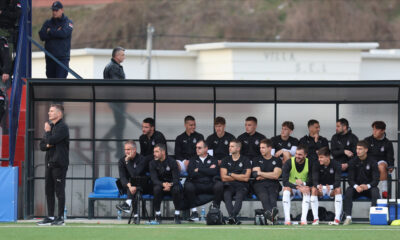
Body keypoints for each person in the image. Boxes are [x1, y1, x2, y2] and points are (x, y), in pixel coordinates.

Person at [37, 104, 69, 226]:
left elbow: (50, 141)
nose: (49, 113)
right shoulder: (50, 127)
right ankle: (50, 216)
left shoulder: (63, 127)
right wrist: (49, 140)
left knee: (59, 191)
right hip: (49, 164)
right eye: (49, 111)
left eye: (51, 111)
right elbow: (42, 146)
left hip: (59, 164)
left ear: (59, 114)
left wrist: (48, 136)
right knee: (48, 190)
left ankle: (60, 218)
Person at [184, 140, 223, 221]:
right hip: (197, 184)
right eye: (196, 148)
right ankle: (194, 213)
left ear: (206, 149)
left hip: (209, 184)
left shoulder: (213, 159)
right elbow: (191, 173)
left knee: (219, 185)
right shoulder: (193, 160)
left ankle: (215, 211)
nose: (197, 149)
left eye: (199, 148)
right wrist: (207, 170)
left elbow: (214, 172)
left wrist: (198, 170)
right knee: (188, 185)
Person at [343, 140, 380, 225]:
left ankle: (373, 216)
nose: (357, 151)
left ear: (366, 150)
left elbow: (376, 180)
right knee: (348, 191)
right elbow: (350, 179)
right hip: (357, 188)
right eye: (357, 149)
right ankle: (348, 218)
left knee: (375, 191)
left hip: (368, 188)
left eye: (360, 149)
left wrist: (367, 186)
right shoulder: (352, 161)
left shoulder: (373, 162)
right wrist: (357, 186)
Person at [115, 140, 149, 224]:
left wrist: (128, 162)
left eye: (128, 149)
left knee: (136, 187)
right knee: (132, 189)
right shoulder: (121, 161)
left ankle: (128, 204)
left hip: (141, 184)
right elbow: (122, 177)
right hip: (127, 185)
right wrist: (130, 186)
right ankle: (135, 215)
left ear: (134, 150)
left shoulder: (142, 159)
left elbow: (135, 174)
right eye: (125, 149)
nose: (126, 151)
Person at [149, 143, 183, 224]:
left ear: (163, 152)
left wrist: (170, 184)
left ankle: (177, 215)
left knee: (177, 189)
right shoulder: (152, 163)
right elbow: (154, 179)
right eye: (154, 152)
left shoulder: (172, 161)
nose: (154, 154)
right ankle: (158, 214)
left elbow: (176, 178)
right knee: (156, 189)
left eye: (157, 152)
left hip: (172, 184)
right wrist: (163, 184)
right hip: (160, 185)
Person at [38, 1, 73, 79]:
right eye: (53, 10)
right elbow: (42, 35)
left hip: (62, 59)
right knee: (50, 82)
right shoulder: (48, 23)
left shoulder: (68, 22)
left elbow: (64, 33)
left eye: (56, 10)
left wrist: (50, 31)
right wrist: (57, 31)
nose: (54, 12)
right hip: (50, 58)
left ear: (62, 10)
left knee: (60, 83)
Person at [220, 139, 251, 225]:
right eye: (229, 146)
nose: (229, 148)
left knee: (239, 196)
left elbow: (246, 178)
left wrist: (231, 174)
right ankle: (233, 218)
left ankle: (232, 217)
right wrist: (238, 176)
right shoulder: (225, 160)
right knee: (226, 195)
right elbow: (223, 177)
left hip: (242, 185)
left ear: (238, 148)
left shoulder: (245, 160)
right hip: (229, 185)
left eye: (232, 146)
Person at [103, 47, 126, 158]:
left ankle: (106, 143)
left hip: (117, 100)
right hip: (117, 100)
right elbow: (116, 85)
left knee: (120, 125)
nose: (124, 57)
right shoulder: (113, 67)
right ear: (116, 56)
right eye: (122, 55)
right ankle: (117, 149)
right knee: (120, 125)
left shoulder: (114, 66)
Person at [252, 139, 282, 225]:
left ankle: (271, 218)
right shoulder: (256, 159)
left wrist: (261, 173)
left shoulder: (277, 160)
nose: (261, 149)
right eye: (260, 147)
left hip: (273, 184)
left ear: (269, 148)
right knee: (264, 197)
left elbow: (276, 175)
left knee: (273, 199)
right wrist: (270, 174)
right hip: (259, 184)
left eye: (263, 148)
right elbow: (255, 175)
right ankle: (272, 217)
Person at [281, 144, 313, 225]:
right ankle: (287, 220)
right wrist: (297, 186)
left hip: (303, 187)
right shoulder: (289, 162)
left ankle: (303, 220)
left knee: (307, 190)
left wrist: (303, 184)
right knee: (286, 190)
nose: (297, 156)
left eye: (300, 154)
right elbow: (285, 182)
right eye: (296, 154)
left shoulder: (310, 163)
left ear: (305, 155)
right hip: (292, 187)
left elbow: (313, 180)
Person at [311, 147, 342, 226]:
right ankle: (315, 218)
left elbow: (338, 182)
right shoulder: (316, 164)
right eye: (318, 157)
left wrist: (331, 187)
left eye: (321, 157)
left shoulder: (337, 164)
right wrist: (318, 186)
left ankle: (337, 218)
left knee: (338, 190)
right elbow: (314, 180)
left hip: (331, 189)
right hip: (320, 189)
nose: (319, 159)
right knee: (313, 190)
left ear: (328, 157)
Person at [364, 121, 394, 198]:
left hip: (381, 162)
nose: (374, 131)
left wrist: (391, 165)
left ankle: (384, 191)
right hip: (369, 163)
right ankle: (373, 191)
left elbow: (390, 156)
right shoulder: (367, 140)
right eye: (373, 129)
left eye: (376, 129)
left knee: (381, 166)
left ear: (383, 131)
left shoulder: (387, 143)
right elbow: (362, 154)